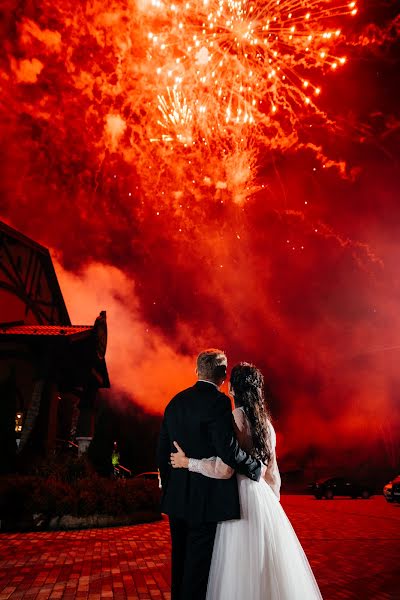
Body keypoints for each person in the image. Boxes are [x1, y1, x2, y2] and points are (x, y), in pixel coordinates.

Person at [171, 362, 323, 600]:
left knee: (238, 567)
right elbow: (274, 475)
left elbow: (224, 470)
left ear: (232, 389)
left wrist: (188, 462)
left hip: (238, 499)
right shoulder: (267, 426)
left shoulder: (235, 418)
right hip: (264, 498)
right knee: (266, 568)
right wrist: (271, 508)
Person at [157, 350, 263, 600]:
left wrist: (170, 488)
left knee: (180, 563)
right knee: (199, 568)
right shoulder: (218, 403)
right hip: (205, 501)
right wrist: (253, 466)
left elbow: (161, 451)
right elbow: (227, 450)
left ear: (197, 371)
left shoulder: (175, 402)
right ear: (223, 376)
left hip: (177, 500)